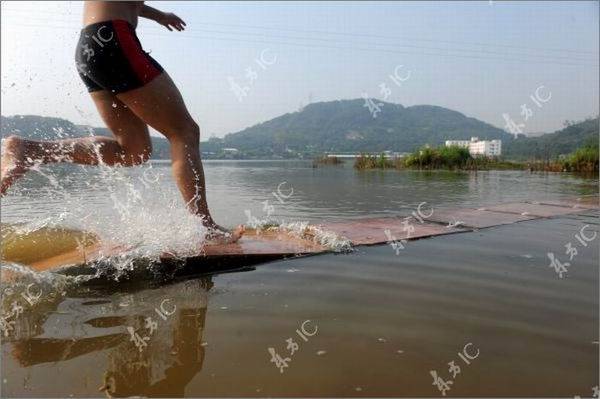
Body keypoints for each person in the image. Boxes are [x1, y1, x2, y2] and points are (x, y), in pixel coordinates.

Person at [0, 1, 243, 244]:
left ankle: (31, 150)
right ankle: (205, 228)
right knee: (184, 132)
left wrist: (157, 15)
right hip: (115, 39)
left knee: (134, 151)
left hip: (90, 48)